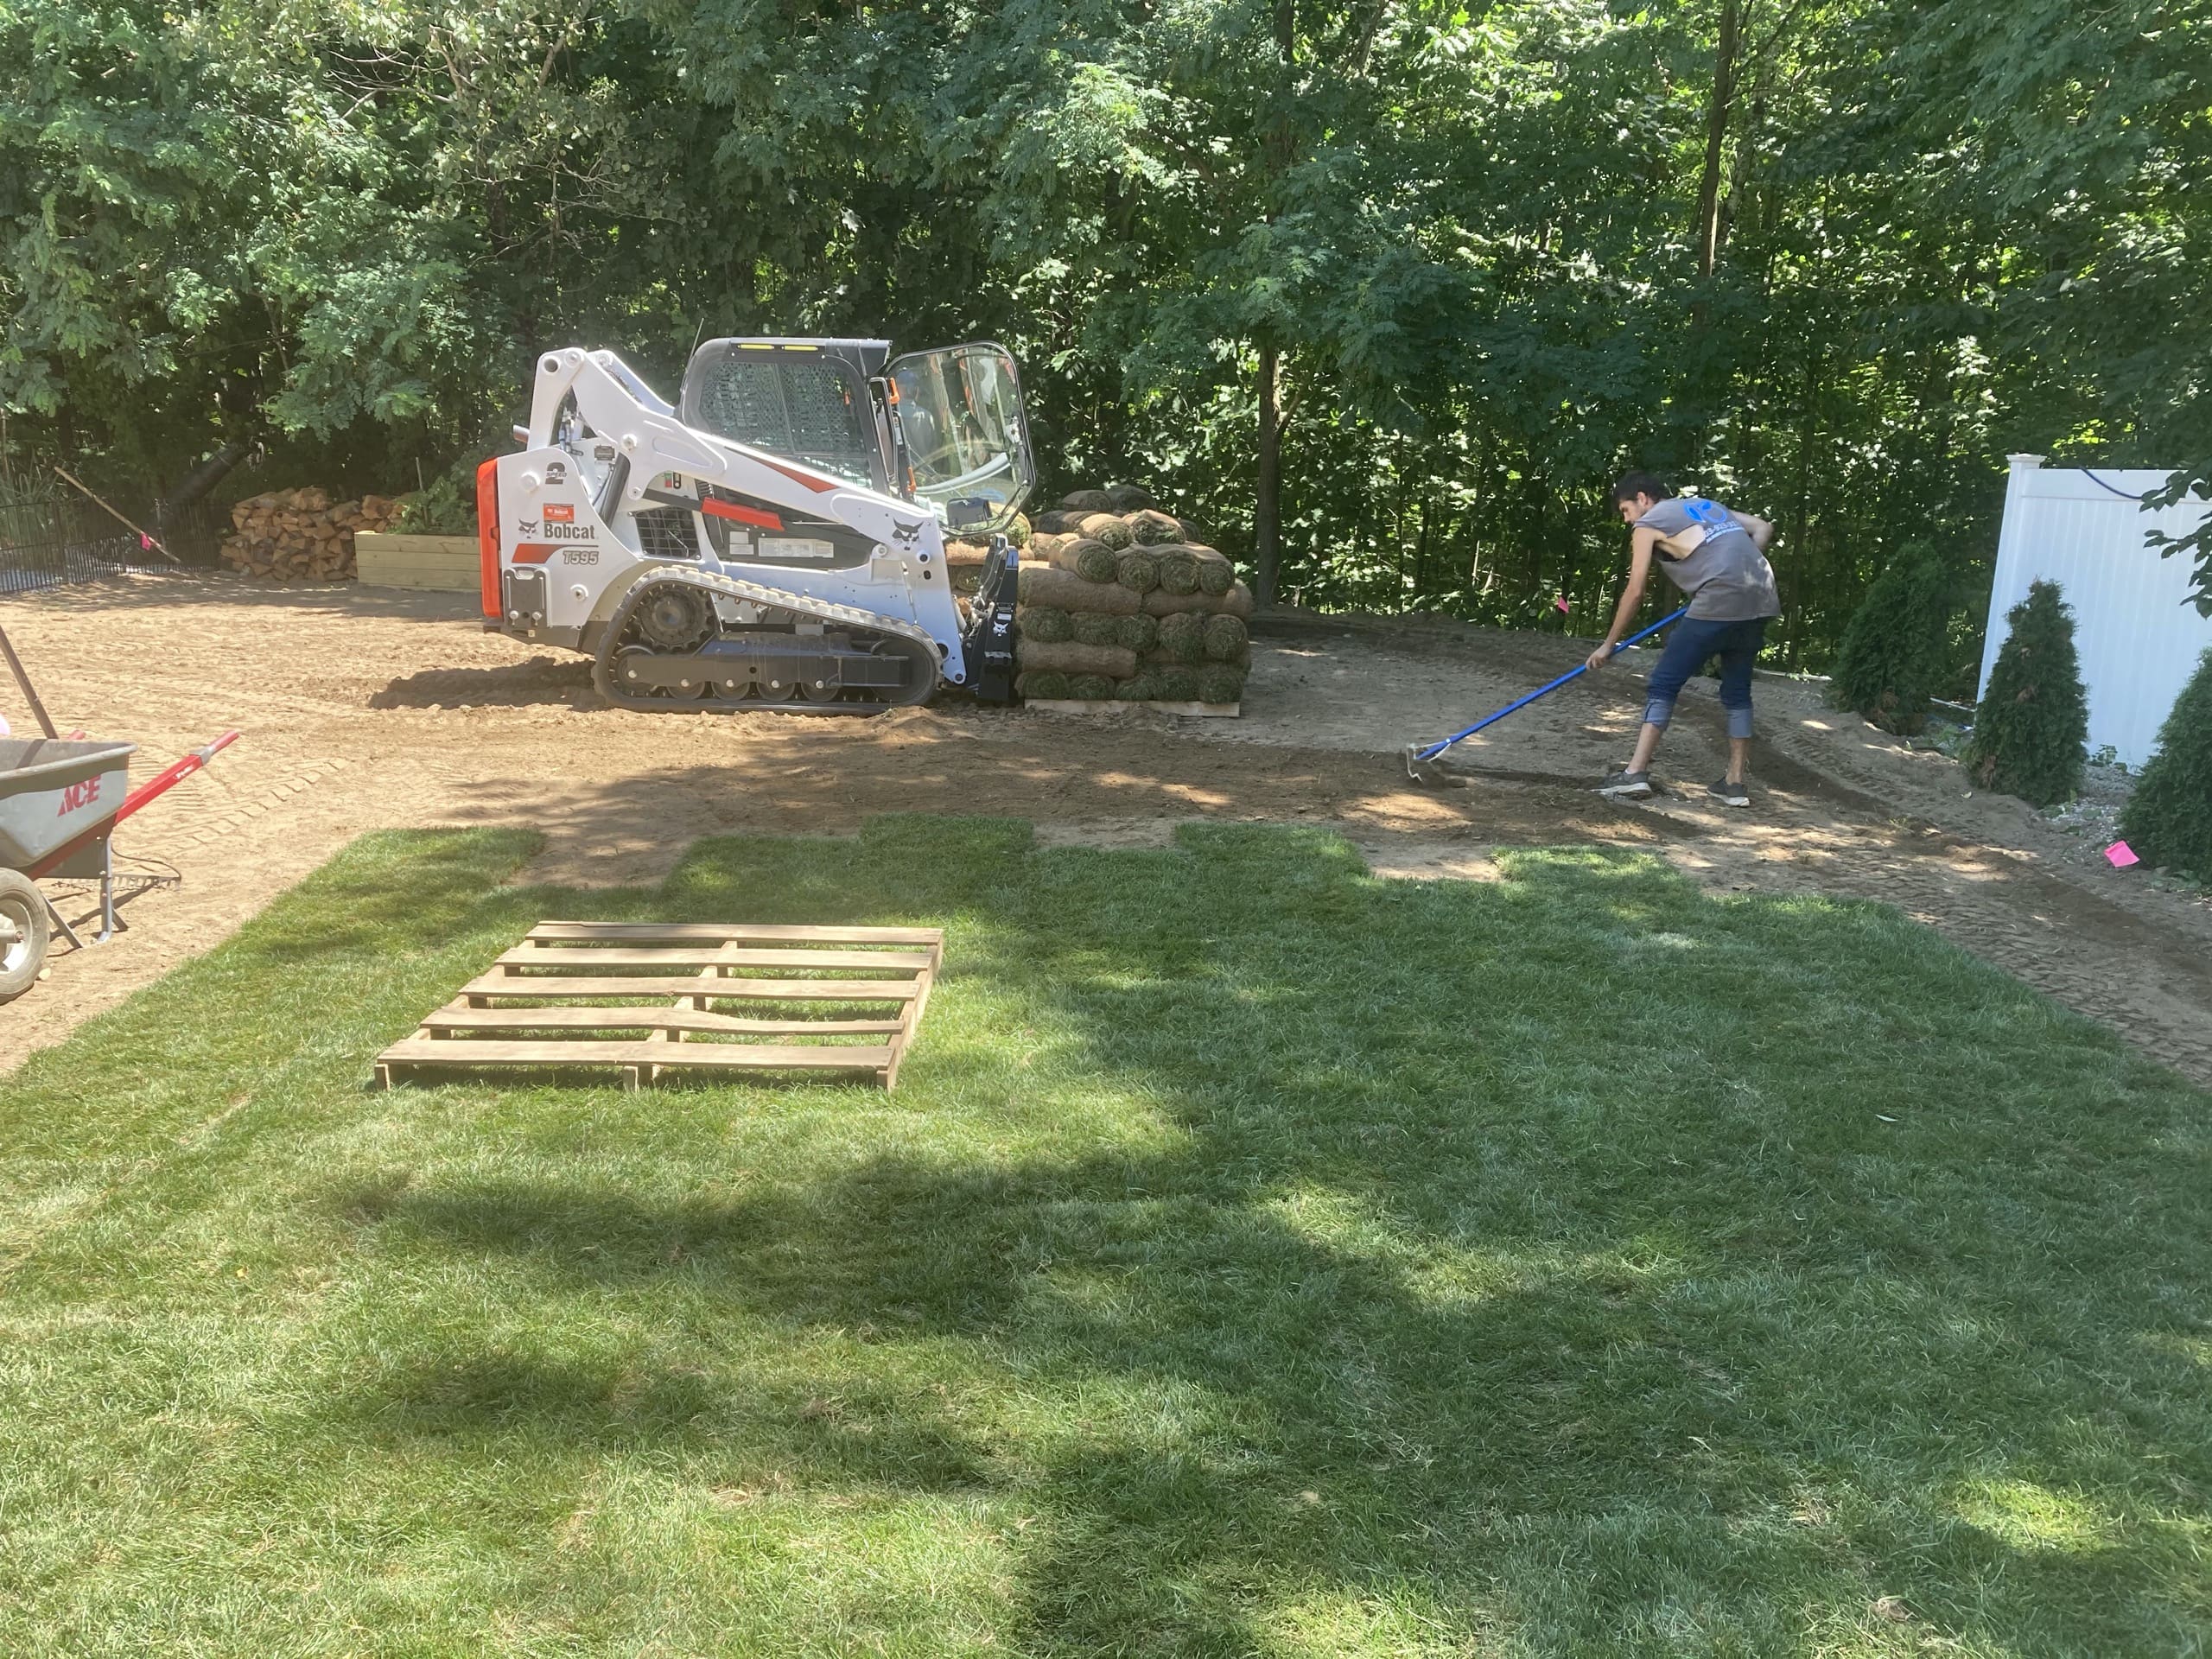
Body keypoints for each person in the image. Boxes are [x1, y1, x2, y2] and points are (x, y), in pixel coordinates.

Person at [1584, 471, 1780, 806]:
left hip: (1718, 598)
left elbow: (1635, 591)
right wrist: (1735, 573)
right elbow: (1762, 527)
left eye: (1626, 510)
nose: (1627, 519)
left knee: (1664, 683)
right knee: (1737, 691)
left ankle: (1634, 774)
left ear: (1643, 498)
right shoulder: (1705, 506)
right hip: (1761, 599)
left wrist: (1609, 643)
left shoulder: (1648, 523)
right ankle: (1734, 784)